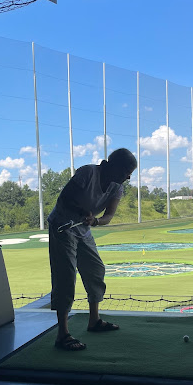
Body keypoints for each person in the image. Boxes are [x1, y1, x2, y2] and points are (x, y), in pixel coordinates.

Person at [48, 148, 138, 351]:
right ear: (109, 165)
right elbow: (65, 198)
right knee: (65, 276)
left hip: (83, 227)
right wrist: (83, 212)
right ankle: (62, 334)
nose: (128, 176)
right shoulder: (88, 173)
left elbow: (108, 216)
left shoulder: (116, 188)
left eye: (130, 173)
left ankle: (94, 321)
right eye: (125, 171)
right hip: (63, 225)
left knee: (95, 270)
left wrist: (95, 220)